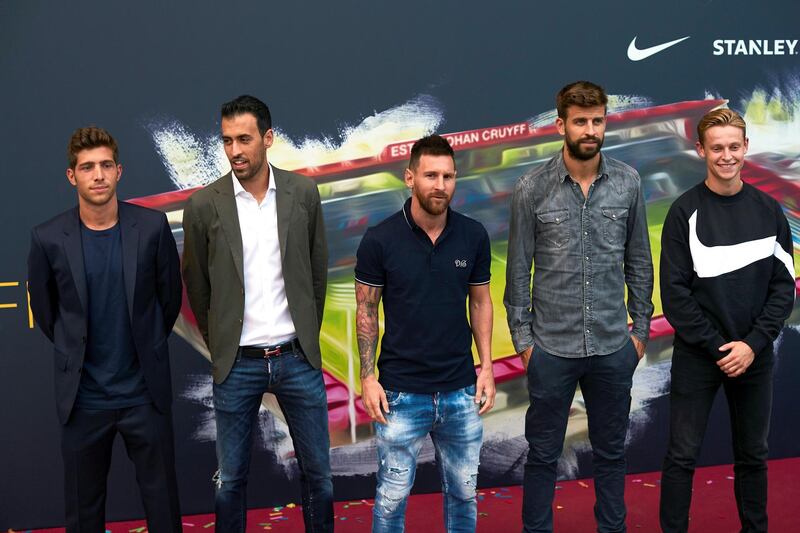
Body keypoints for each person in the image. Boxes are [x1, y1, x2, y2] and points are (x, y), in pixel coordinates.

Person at [504, 81, 654, 532]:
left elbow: (640, 262)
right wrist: (526, 345)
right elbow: (517, 274)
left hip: (613, 348)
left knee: (611, 455)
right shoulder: (531, 189)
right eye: (580, 121)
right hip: (551, 350)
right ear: (561, 125)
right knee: (543, 457)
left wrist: (639, 334)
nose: (590, 130)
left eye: (597, 121)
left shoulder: (628, 182)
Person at [181, 95, 332, 532]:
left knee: (319, 478)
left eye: (244, 139)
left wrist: (304, 339)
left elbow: (316, 275)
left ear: (268, 139)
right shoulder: (203, 206)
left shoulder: (302, 193)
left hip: (296, 360)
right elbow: (197, 287)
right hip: (237, 365)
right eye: (226, 140)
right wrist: (222, 348)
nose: (234, 151)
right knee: (230, 482)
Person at [27, 126, 183, 532]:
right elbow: (49, 316)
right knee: (83, 514)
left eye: (105, 165)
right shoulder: (47, 239)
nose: (98, 175)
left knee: (163, 508)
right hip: (83, 401)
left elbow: (167, 304)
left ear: (119, 171)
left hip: (143, 396)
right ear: (71, 176)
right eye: (87, 167)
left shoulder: (151, 228)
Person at [658, 108, 795, 533]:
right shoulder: (684, 212)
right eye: (717, 148)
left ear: (746, 148)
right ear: (701, 150)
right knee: (682, 456)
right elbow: (675, 297)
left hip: (754, 356)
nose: (726, 156)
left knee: (753, 455)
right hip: (700, 358)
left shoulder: (770, 211)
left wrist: (751, 345)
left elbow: (783, 288)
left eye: (734, 146)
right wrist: (720, 348)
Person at [355, 134, 496, 533]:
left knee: (465, 495)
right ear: (409, 177)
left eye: (448, 176)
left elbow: (481, 302)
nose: (440, 185)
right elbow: (366, 310)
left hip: (460, 392)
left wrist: (485, 368)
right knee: (391, 498)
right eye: (431, 175)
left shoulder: (473, 235)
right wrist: (368, 377)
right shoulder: (379, 239)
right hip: (401, 393)